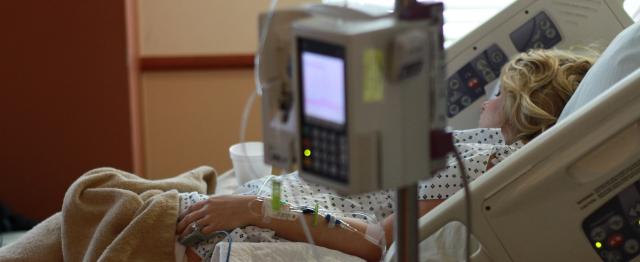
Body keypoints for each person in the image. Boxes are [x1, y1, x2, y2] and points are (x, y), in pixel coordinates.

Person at [175, 48, 597, 262]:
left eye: (496, 94)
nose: (485, 103)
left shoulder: (488, 164)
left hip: (267, 222)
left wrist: (256, 208)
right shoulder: (482, 153)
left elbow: (378, 241)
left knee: (120, 202)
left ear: (521, 105)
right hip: (281, 203)